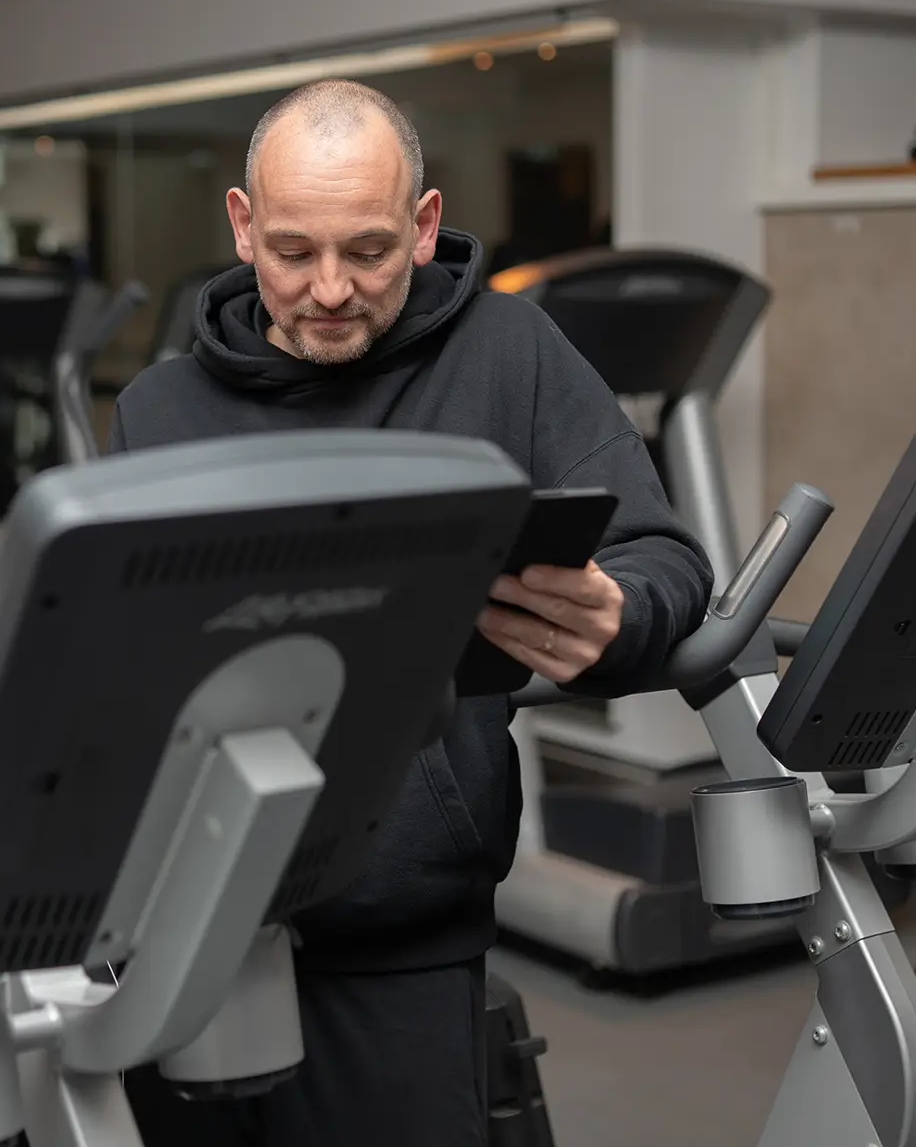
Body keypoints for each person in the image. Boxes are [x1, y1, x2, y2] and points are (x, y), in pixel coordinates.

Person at [112, 80, 713, 1146]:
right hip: (195, 917)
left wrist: (615, 615)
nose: (331, 289)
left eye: (372, 250)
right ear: (243, 226)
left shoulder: (509, 354)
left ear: (425, 226)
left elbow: (663, 557)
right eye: (294, 251)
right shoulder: (159, 410)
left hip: (404, 926)